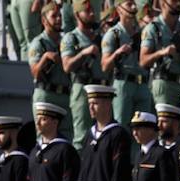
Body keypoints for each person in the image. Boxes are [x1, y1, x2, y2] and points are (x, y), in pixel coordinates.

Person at [61, 0, 104, 148]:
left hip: (100, 88)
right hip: (82, 89)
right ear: (77, 14)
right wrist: (83, 53)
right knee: (81, 137)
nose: (92, 14)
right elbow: (67, 66)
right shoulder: (70, 38)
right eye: (87, 11)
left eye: (93, 11)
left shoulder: (100, 37)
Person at [103, 0, 151, 129]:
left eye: (134, 4)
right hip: (123, 84)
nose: (134, 7)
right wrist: (117, 53)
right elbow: (105, 65)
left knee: (143, 127)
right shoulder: (113, 34)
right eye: (129, 4)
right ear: (119, 9)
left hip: (142, 84)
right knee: (122, 128)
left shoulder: (143, 33)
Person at [29, 1, 74, 139]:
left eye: (60, 16)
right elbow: (35, 73)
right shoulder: (39, 43)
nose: (59, 19)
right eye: (54, 16)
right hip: (46, 94)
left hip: (65, 95)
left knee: (66, 137)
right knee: (45, 137)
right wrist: (45, 58)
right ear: (44, 20)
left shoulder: (66, 41)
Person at [79, 83, 134, 181]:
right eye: (89, 103)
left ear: (108, 104)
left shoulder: (118, 134)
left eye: (95, 103)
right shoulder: (89, 135)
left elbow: (119, 171)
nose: (91, 107)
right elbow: (84, 169)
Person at [141, 0, 180, 108]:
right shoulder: (153, 28)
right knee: (166, 121)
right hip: (164, 83)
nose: (178, 3)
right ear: (163, 3)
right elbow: (143, 60)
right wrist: (162, 52)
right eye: (174, 1)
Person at [28, 100, 81, 181]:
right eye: (37, 119)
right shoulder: (34, 152)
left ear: (55, 122)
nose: (38, 123)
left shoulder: (65, 150)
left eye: (43, 119)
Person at [130, 110, 176, 181]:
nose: (134, 133)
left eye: (138, 129)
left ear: (151, 130)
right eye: (133, 129)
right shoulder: (139, 155)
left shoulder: (161, 154)